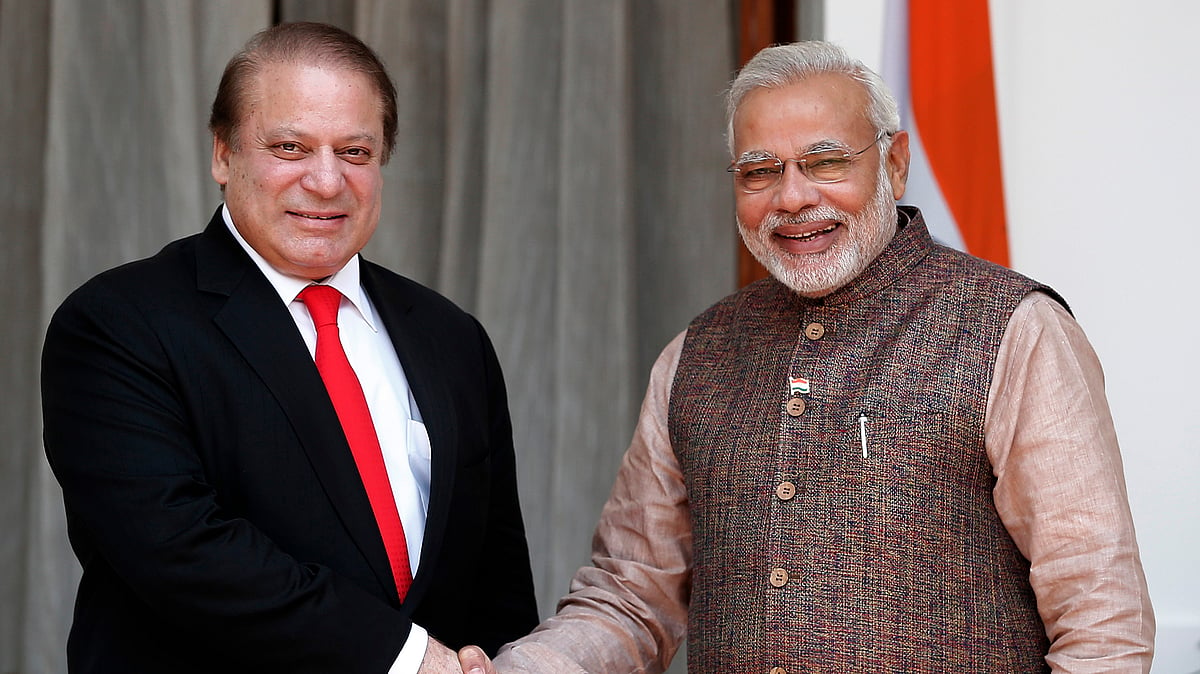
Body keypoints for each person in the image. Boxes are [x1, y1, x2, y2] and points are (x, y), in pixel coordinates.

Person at [461, 41, 1156, 673]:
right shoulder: (695, 353)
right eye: (760, 171)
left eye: (825, 162)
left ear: (894, 162)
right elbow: (630, 595)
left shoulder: (1015, 330)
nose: (792, 198)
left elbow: (1103, 620)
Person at [41, 22, 537, 673]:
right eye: (290, 147)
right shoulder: (119, 325)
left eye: (355, 152)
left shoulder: (452, 338)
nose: (327, 181)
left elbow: (495, 579)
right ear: (223, 154)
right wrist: (405, 657)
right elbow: (181, 551)